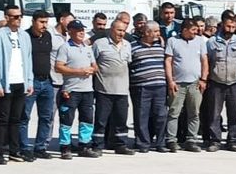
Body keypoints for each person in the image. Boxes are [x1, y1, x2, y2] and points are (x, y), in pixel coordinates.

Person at [0, 6, 34, 164]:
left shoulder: (24, 36)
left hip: (21, 81)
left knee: (16, 119)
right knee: (3, 119)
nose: (18, 19)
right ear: (7, 17)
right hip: (6, 82)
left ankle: (14, 150)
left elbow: (28, 60)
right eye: (15, 17)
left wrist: (29, 81)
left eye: (20, 16)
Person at [55, 21, 99, 159]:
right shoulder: (65, 48)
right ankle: (65, 147)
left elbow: (95, 66)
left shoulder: (87, 48)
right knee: (66, 120)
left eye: (82, 30)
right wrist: (78, 71)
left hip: (87, 90)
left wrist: (91, 70)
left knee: (87, 119)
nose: (81, 32)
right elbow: (58, 67)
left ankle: (84, 145)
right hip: (71, 90)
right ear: (70, 31)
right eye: (78, 30)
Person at [92, 18, 134, 156]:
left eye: (123, 31)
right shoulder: (99, 44)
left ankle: (120, 145)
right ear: (111, 30)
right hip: (104, 90)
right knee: (101, 120)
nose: (121, 33)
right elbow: (92, 63)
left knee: (121, 120)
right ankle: (97, 145)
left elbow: (128, 63)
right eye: (118, 30)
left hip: (122, 90)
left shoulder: (127, 45)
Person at [165, 18, 208, 152]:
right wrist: (170, 81)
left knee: (194, 113)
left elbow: (204, 60)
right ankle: (171, 140)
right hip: (178, 84)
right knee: (174, 112)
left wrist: (203, 79)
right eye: (193, 30)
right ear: (184, 30)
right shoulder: (172, 41)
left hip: (195, 84)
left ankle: (191, 140)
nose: (196, 32)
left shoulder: (200, 41)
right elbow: (168, 61)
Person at [205, 14, 236, 152]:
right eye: (228, 26)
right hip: (216, 82)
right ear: (222, 25)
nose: (231, 29)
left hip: (235, 82)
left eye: (233, 27)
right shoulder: (212, 42)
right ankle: (215, 141)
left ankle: (233, 141)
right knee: (214, 113)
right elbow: (208, 61)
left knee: (234, 113)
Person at [129, 19, 169, 153]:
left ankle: (160, 143)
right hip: (141, 87)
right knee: (141, 116)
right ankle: (143, 143)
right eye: (156, 31)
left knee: (161, 116)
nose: (158, 34)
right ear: (147, 32)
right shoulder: (133, 46)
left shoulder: (162, 46)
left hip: (160, 86)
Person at [20, 10, 56, 159]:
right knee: (24, 116)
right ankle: (23, 147)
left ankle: (40, 147)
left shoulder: (47, 36)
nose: (44, 25)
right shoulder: (25, 36)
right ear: (33, 21)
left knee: (46, 117)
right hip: (31, 81)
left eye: (46, 22)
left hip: (46, 81)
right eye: (41, 22)